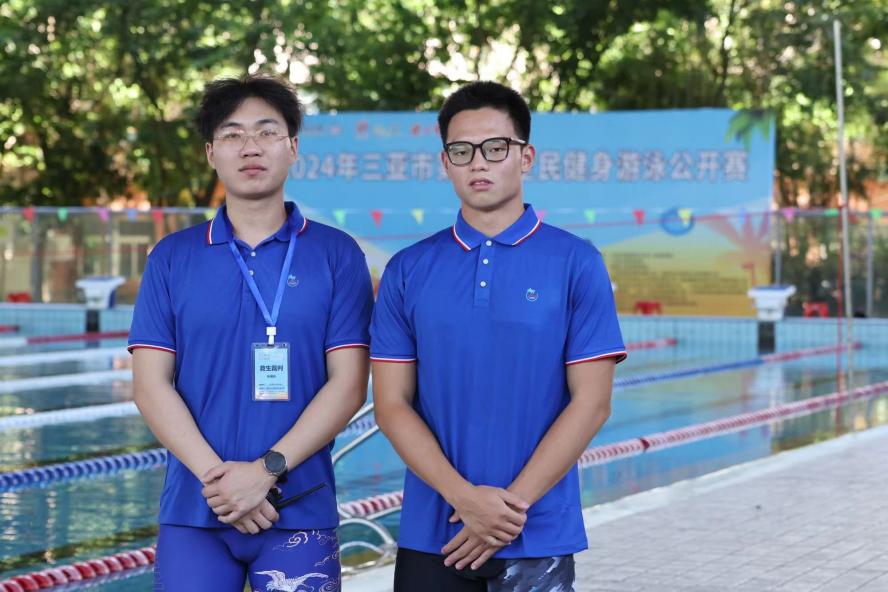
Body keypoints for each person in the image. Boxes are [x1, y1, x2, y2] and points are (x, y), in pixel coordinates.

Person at [370, 81, 626, 591]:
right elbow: (391, 405)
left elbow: (592, 403)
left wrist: (507, 510)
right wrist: (464, 499)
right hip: (435, 531)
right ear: (445, 163)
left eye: (495, 148)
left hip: (537, 529)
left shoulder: (576, 262)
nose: (478, 163)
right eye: (461, 151)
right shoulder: (408, 269)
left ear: (525, 156)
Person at [129, 74, 372, 592]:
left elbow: (349, 384)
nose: (251, 147)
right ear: (211, 152)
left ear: (293, 147)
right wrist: (221, 483)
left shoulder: (337, 254)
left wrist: (265, 471)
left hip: (299, 508)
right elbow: (150, 385)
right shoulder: (173, 257)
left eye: (266, 131)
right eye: (233, 134)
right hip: (196, 510)